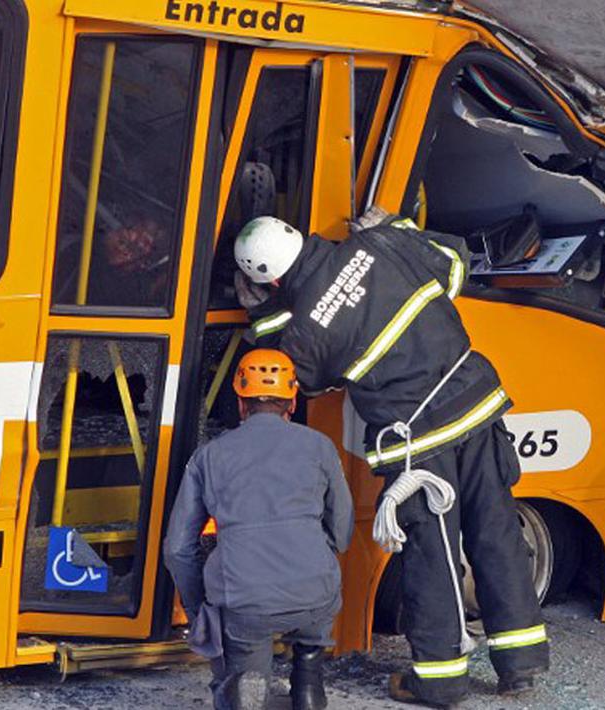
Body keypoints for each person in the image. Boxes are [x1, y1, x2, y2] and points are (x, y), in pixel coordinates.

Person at [234, 210, 549, 707]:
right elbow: (455, 267)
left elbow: (304, 382)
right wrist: (399, 227)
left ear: (270, 279)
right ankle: (522, 665)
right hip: (475, 406)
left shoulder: (307, 331)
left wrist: (264, 316)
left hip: (417, 443)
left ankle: (442, 681)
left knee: (433, 558)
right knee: (497, 532)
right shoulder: (381, 244)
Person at [164, 348, 354, 710]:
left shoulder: (209, 456)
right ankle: (309, 682)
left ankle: (250, 683)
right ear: (293, 401)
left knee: (243, 674)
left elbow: (177, 549)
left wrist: (198, 610)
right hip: (317, 595)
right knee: (313, 633)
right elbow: (342, 532)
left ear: (240, 403)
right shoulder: (320, 446)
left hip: (245, 601)